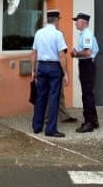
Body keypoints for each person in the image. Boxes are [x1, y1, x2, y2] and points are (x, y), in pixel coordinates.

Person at [31, 9, 69, 137]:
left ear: (47, 20)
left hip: (41, 66)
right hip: (54, 67)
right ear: (56, 20)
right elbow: (62, 55)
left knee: (40, 97)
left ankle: (37, 126)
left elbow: (33, 53)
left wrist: (33, 70)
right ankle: (50, 129)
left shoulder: (38, 33)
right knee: (53, 98)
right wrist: (66, 73)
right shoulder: (58, 34)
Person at [71, 12, 99, 133]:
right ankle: (94, 120)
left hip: (87, 65)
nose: (75, 23)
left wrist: (76, 54)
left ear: (84, 22)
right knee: (88, 93)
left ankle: (89, 123)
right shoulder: (84, 34)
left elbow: (87, 52)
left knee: (87, 94)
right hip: (86, 64)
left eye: (77, 21)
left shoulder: (86, 34)